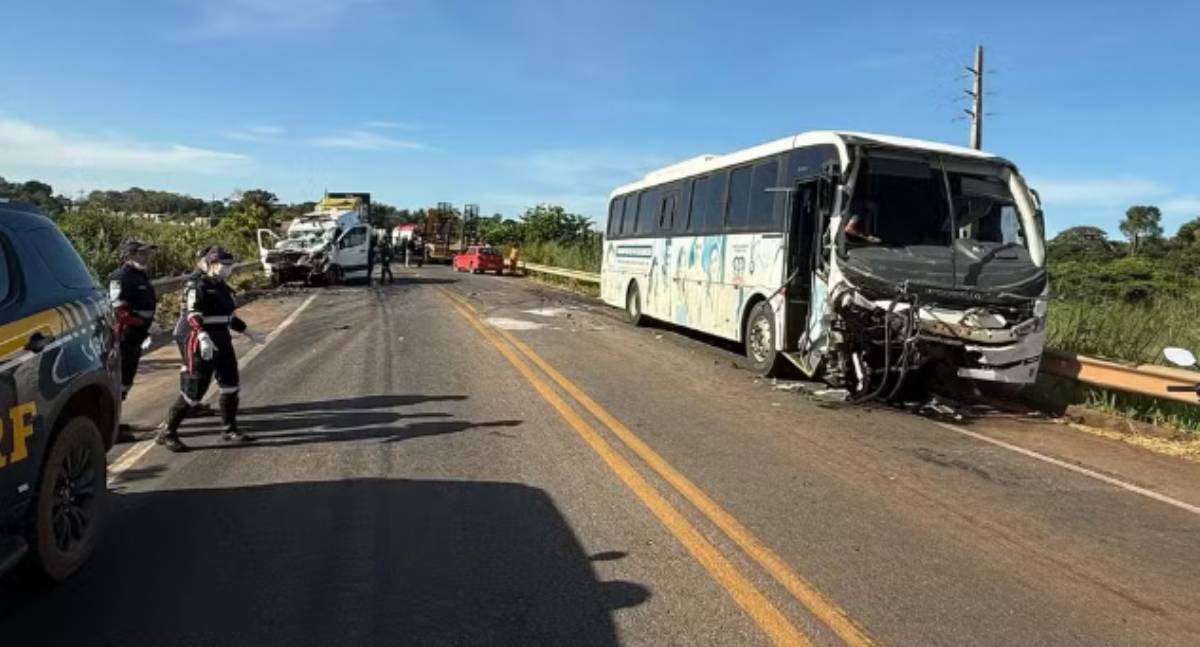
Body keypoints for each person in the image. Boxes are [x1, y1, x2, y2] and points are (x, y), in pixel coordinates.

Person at [157, 246, 265, 452]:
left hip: (222, 339)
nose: (227, 269)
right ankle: (168, 432)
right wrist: (202, 335)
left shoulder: (223, 287)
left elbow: (230, 317)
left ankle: (229, 429)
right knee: (194, 392)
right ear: (211, 265)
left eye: (229, 265)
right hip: (200, 342)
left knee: (230, 384)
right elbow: (192, 314)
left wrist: (249, 332)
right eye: (223, 265)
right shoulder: (197, 286)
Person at [109, 239, 157, 441]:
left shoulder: (140, 275)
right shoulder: (120, 277)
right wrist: (139, 323)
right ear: (129, 256)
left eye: (146, 253)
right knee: (119, 380)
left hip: (137, 333)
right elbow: (118, 309)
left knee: (127, 379)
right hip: (126, 333)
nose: (145, 257)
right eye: (141, 253)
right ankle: (112, 429)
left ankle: (116, 422)